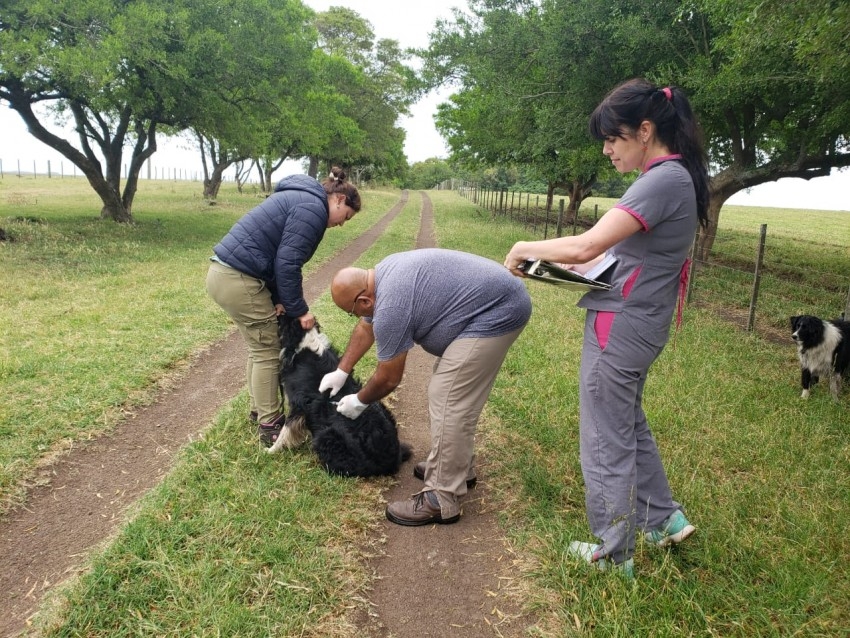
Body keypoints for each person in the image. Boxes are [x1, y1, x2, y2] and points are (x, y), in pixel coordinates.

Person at [504, 79, 709, 577]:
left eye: (613, 137)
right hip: (641, 322)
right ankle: (663, 519)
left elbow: (584, 245)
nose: (607, 148)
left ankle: (613, 552)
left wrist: (525, 250)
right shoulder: (676, 176)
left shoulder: (662, 179)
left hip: (620, 327)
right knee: (627, 422)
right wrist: (575, 264)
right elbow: (616, 252)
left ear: (644, 131)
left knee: (604, 437)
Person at [319, 249, 532, 526]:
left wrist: (358, 401)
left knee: (448, 395)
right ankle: (456, 469)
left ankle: (441, 497)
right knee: (451, 390)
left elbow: (388, 378)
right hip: (498, 300)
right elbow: (365, 327)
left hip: (499, 311)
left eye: (352, 311)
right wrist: (341, 370)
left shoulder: (391, 306)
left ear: (364, 299)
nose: (355, 316)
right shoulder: (381, 275)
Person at [206, 167, 361, 446]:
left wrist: (280, 299)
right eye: (346, 217)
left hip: (224, 274)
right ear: (339, 200)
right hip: (239, 278)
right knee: (267, 351)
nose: (341, 224)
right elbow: (288, 264)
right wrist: (299, 310)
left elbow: (279, 256)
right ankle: (270, 425)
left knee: (258, 348)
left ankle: (258, 410)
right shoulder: (313, 209)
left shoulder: (302, 198)